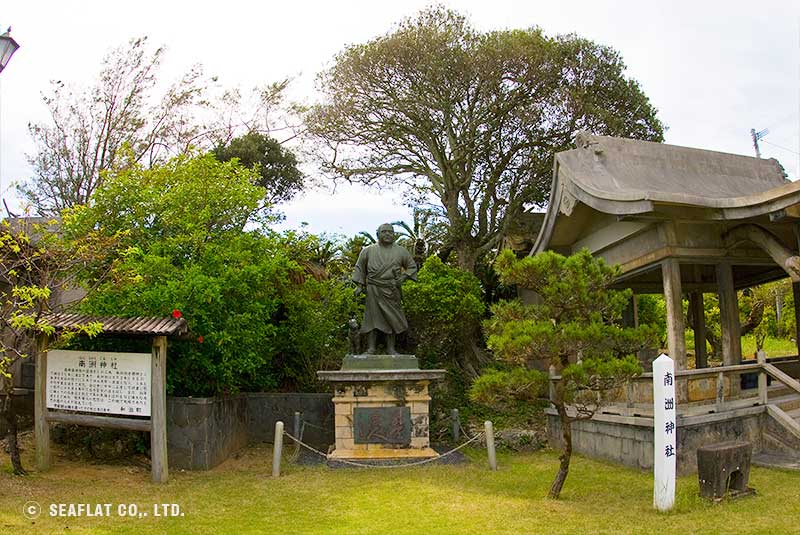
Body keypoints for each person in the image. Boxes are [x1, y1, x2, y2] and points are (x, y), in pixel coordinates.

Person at [352, 223, 418, 354]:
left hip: (391, 290)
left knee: (392, 318)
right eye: (384, 232)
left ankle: (391, 348)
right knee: (371, 319)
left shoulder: (401, 251)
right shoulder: (368, 250)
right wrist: (359, 286)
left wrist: (403, 278)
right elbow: (360, 268)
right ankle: (371, 348)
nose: (388, 234)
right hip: (373, 289)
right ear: (378, 234)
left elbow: (412, 267)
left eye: (390, 232)